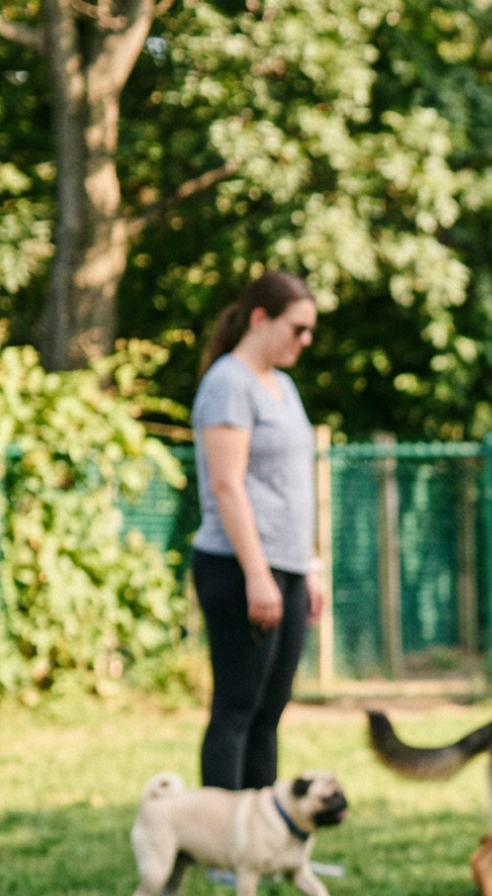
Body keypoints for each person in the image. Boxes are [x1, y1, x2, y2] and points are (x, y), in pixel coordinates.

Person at [190, 271, 325, 794]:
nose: (305, 341)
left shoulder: (283, 386)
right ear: (260, 318)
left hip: (287, 568)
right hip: (239, 567)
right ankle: (223, 848)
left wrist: (309, 566)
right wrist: (257, 574)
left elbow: (291, 487)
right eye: (298, 328)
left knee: (271, 709)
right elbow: (227, 485)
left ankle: (265, 843)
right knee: (237, 707)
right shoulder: (228, 383)